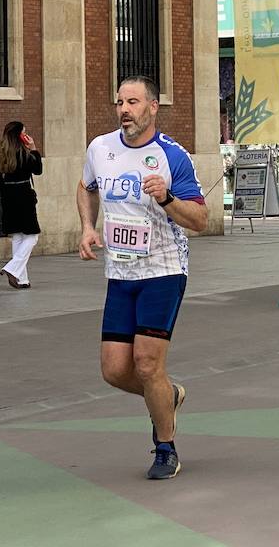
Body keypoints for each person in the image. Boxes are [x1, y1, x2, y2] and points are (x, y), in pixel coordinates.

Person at [77, 76, 208, 481]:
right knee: (115, 370)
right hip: (120, 270)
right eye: (119, 102)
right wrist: (87, 226)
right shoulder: (100, 148)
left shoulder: (173, 156)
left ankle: (165, 447)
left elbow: (201, 219)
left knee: (148, 364)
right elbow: (86, 186)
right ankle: (167, 398)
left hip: (163, 270)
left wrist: (167, 198)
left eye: (133, 102)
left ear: (153, 107)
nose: (124, 110)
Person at [0, 121, 44, 288]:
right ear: (19, 135)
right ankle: (12, 268)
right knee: (32, 235)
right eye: (24, 132)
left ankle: (22, 279)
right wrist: (34, 148)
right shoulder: (24, 154)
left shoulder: (2, 154)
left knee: (17, 236)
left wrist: (7, 189)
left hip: (9, 198)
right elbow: (37, 169)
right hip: (24, 196)